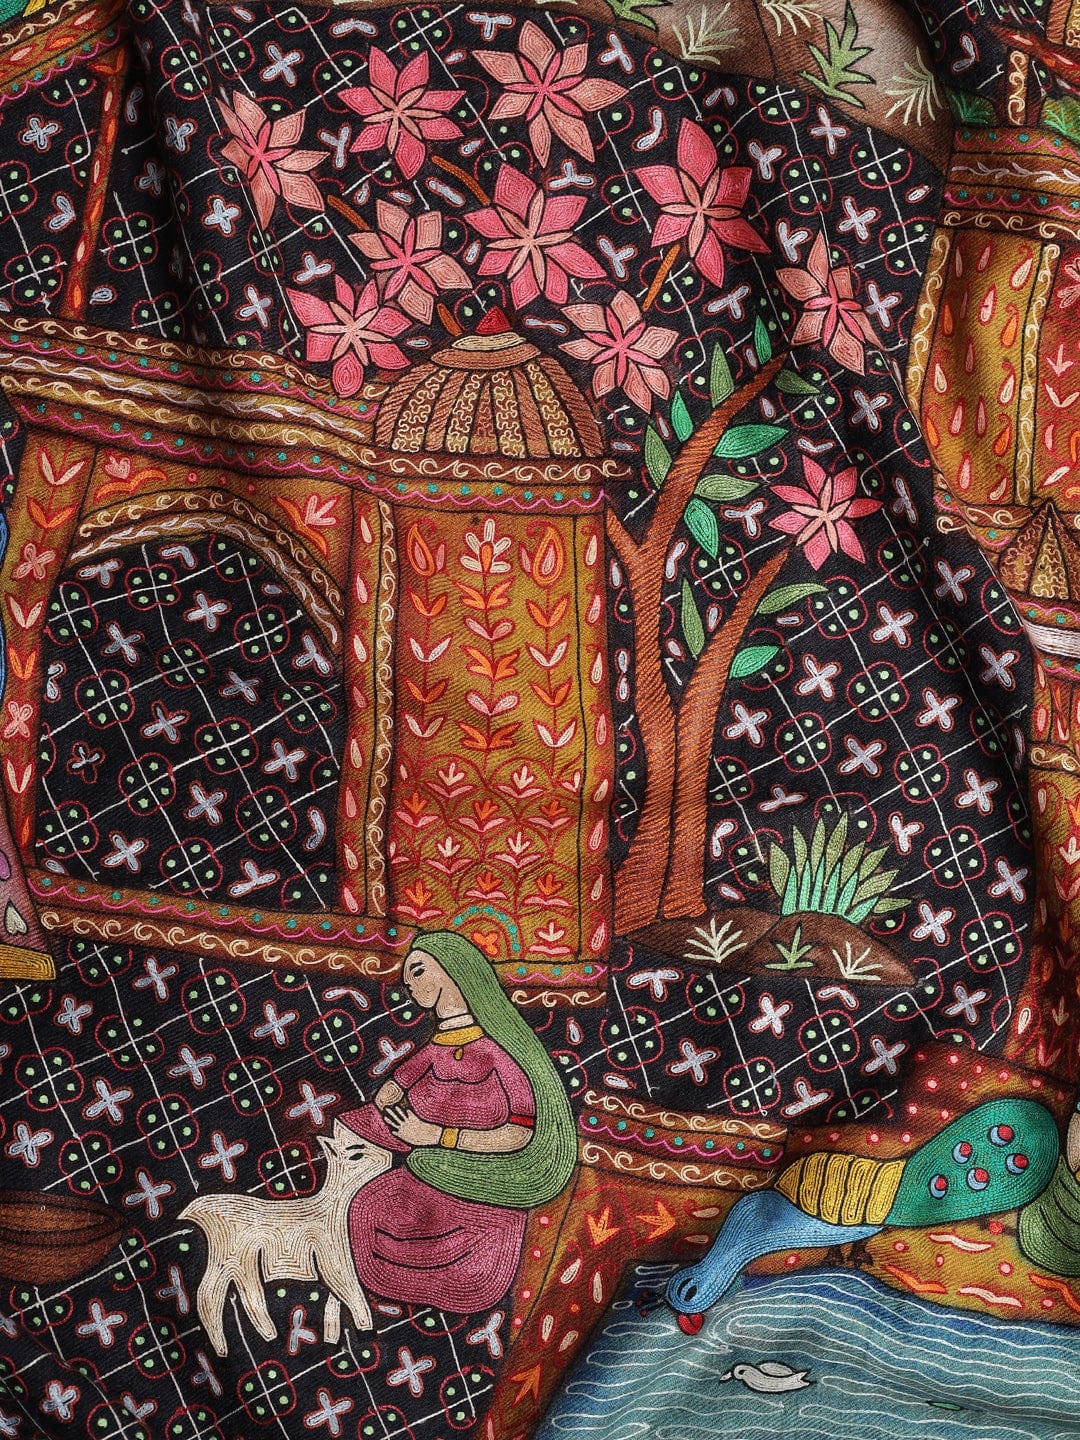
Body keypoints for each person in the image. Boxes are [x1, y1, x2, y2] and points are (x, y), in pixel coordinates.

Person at [338, 930, 577, 1312]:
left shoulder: (499, 1053)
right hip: (427, 1169)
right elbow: (392, 1088)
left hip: (482, 1184)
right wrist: (391, 1103)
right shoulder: (437, 1048)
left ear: (455, 972)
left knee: (466, 1259)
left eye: (418, 972)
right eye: (407, 977)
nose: (409, 984)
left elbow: (518, 1134)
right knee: (368, 1205)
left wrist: (437, 1135)